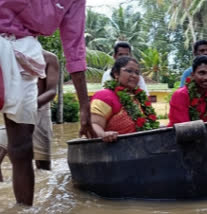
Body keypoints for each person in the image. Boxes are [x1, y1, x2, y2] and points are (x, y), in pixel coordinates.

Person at [0, 1, 96, 205]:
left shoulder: (48, 58)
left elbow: (74, 46)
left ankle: (23, 209)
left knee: (22, 148)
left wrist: (84, 104)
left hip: (24, 58)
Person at [0, 50, 59, 181]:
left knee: (43, 166)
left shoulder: (49, 58)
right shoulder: (8, 54)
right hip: (14, 110)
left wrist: (30, 106)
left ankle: (42, 193)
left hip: (40, 111)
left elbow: (51, 91)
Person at [91, 56, 159, 143]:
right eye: (129, 71)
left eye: (137, 73)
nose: (134, 76)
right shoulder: (104, 96)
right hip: (114, 151)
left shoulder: (140, 98)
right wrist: (103, 135)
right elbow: (93, 125)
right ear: (116, 73)